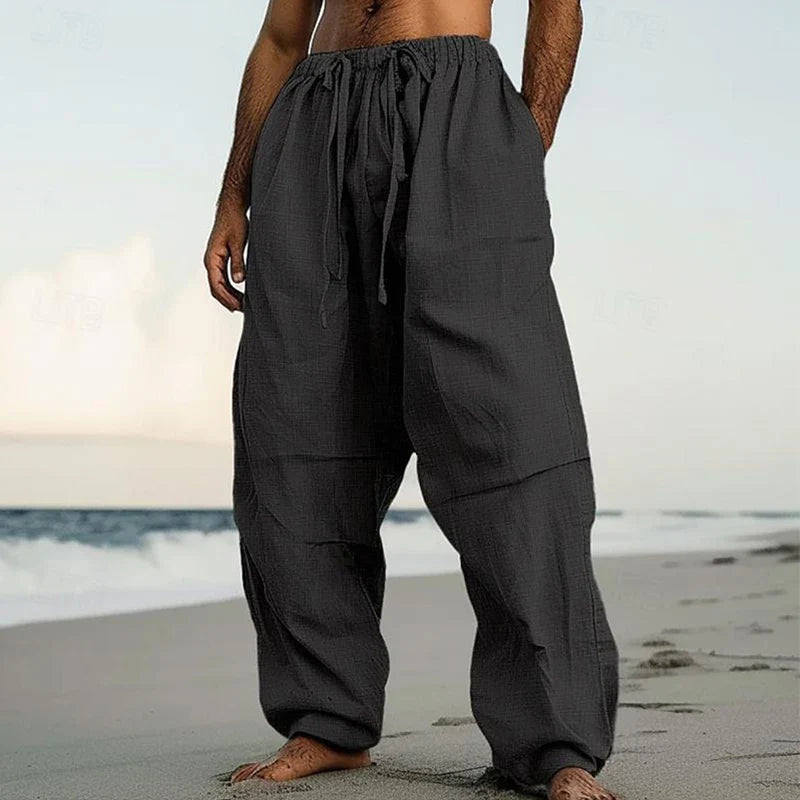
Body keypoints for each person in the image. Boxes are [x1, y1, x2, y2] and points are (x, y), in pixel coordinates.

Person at [203, 2, 619, 798]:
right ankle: (326, 719)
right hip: (315, 120)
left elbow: (557, 8)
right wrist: (234, 196)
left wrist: (522, 141)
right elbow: (282, 37)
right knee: (295, 424)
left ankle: (554, 741)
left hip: (459, 103)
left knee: (510, 429)